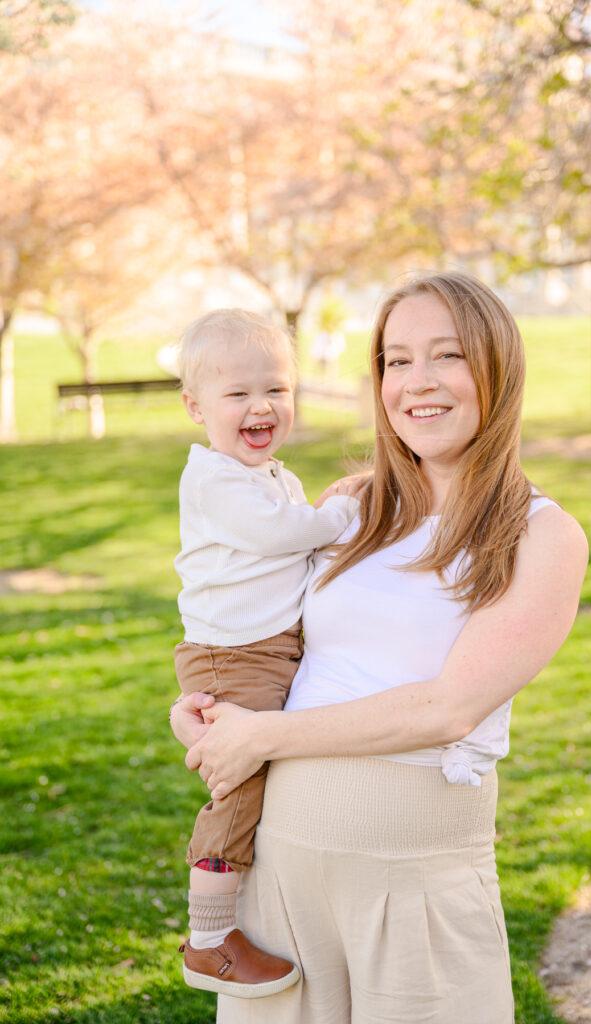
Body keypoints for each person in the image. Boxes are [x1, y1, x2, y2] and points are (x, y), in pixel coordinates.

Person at [170, 272, 589, 1024]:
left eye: (446, 356)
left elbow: (449, 707)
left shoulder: (542, 535)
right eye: (396, 361)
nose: (416, 383)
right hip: (283, 877)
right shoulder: (351, 506)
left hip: (416, 889)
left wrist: (263, 735)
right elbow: (269, 636)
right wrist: (210, 712)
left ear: (497, 368)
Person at [172, 308, 363, 999]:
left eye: (276, 389)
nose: (262, 406)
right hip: (234, 656)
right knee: (241, 781)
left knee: (273, 772)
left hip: (262, 650)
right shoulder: (218, 481)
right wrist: (345, 510)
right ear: (195, 408)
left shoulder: (266, 473)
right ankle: (211, 936)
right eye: (238, 394)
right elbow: (288, 536)